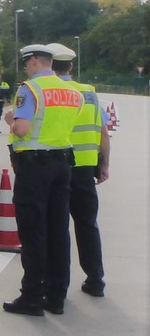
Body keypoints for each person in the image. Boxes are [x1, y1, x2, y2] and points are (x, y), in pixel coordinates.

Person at [2, 44, 83, 316]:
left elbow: (23, 130)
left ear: (35, 61)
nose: (26, 68)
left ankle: (32, 297)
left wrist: (11, 120)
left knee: (34, 231)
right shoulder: (73, 91)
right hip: (63, 164)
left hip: (35, 168)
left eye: (27, 64)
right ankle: (57, 295)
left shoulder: (30, 89)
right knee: (58, 230)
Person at [46, 42, 111, 297]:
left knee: (57, 226)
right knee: (87, 224)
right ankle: (95, 280)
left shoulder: (49, 92)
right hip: (85, 168)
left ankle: (56, 283)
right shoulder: (91, 94)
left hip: (56, 167)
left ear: (51, 65)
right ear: (71, 66)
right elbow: (104, 133)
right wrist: (104, 164)